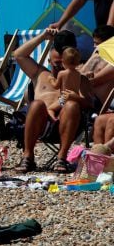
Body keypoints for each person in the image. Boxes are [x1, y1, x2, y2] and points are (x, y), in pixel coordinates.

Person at [15, 29, 84, 173]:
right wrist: (43, 37)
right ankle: (28, 156)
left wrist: (74, 97)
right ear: (49, 61)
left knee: (71, 105)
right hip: (40, 123)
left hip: (67, 123)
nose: (61, 67)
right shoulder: (40, 73)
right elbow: (19, 55)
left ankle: (62, 158)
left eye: (65, 63)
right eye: (57, 64)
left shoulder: (77, 77)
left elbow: (88, 102)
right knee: (37, 104)